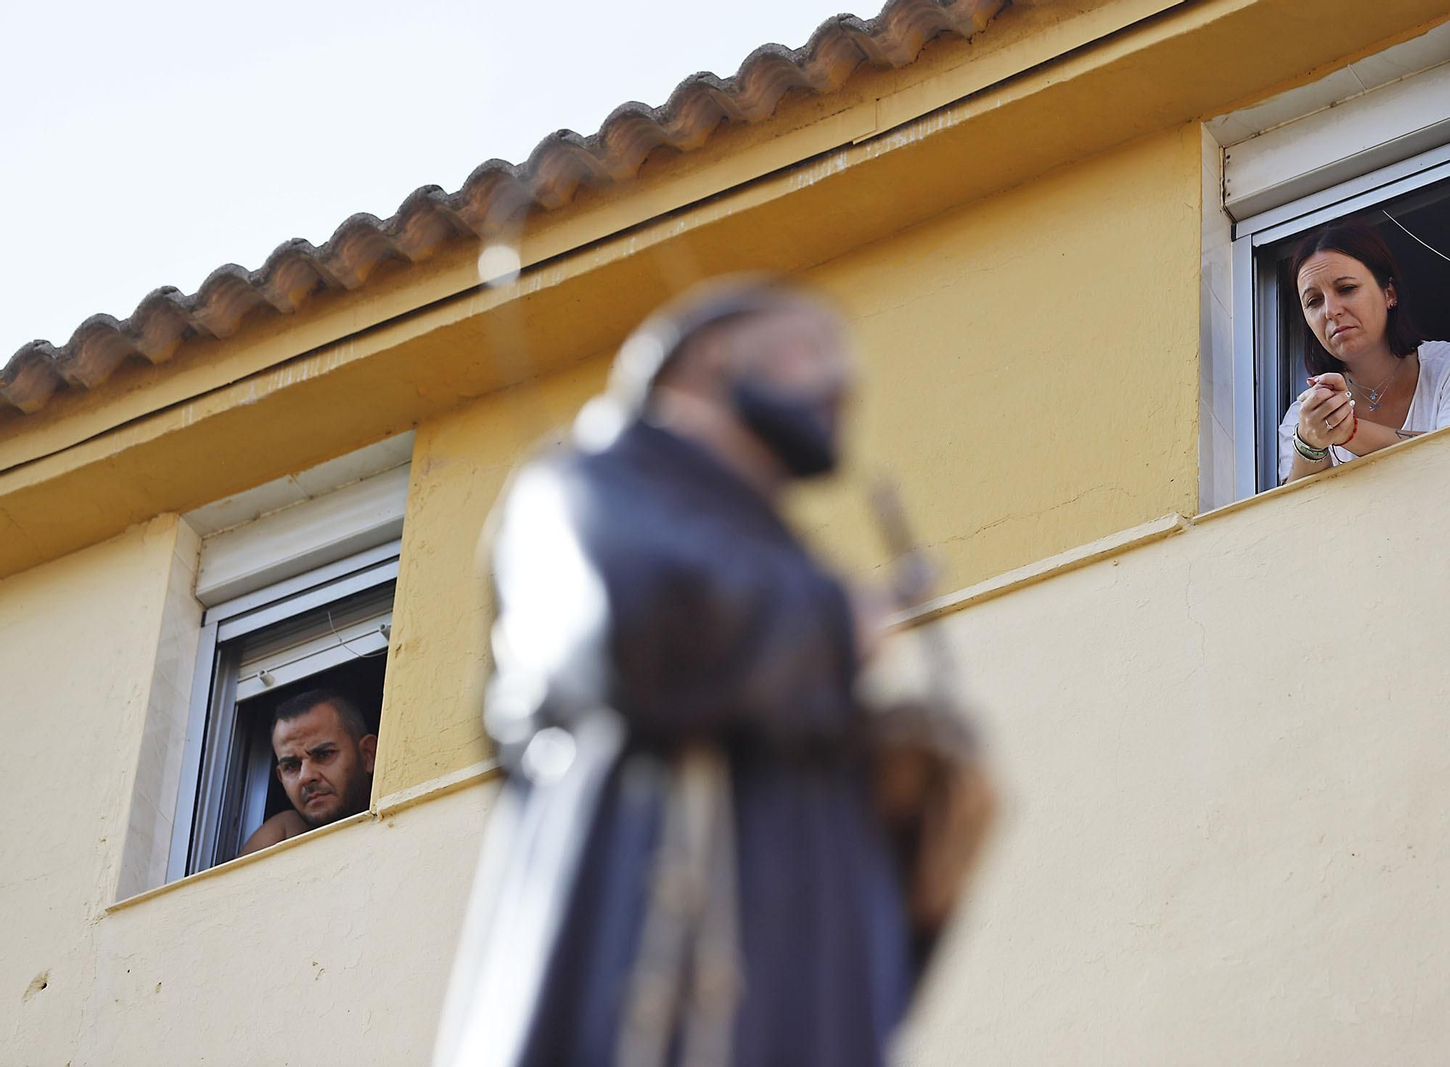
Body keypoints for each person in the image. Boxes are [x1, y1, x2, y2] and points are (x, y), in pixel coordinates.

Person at [432, 278, 991, 1067]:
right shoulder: (583, 485)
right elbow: (640, 632)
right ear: (712, 356)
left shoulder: (777, 571)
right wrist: (836, 626)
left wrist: (911, 807)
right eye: (811, 349)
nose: (843, 381)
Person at [1279, 221, 1450, 484]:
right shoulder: (1303, 415)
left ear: (1389, 293)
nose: (1330, 310)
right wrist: (1310, 442)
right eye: (1314, 301)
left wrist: (1350, 432)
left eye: (1346, 289)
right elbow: (1295, 518)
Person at [238, 689, 379, 856]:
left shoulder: (404, 813)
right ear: (281, 778)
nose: (305, 776)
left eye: (324, 755)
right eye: (291, 766)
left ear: (367, 755)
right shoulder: (283, 835)